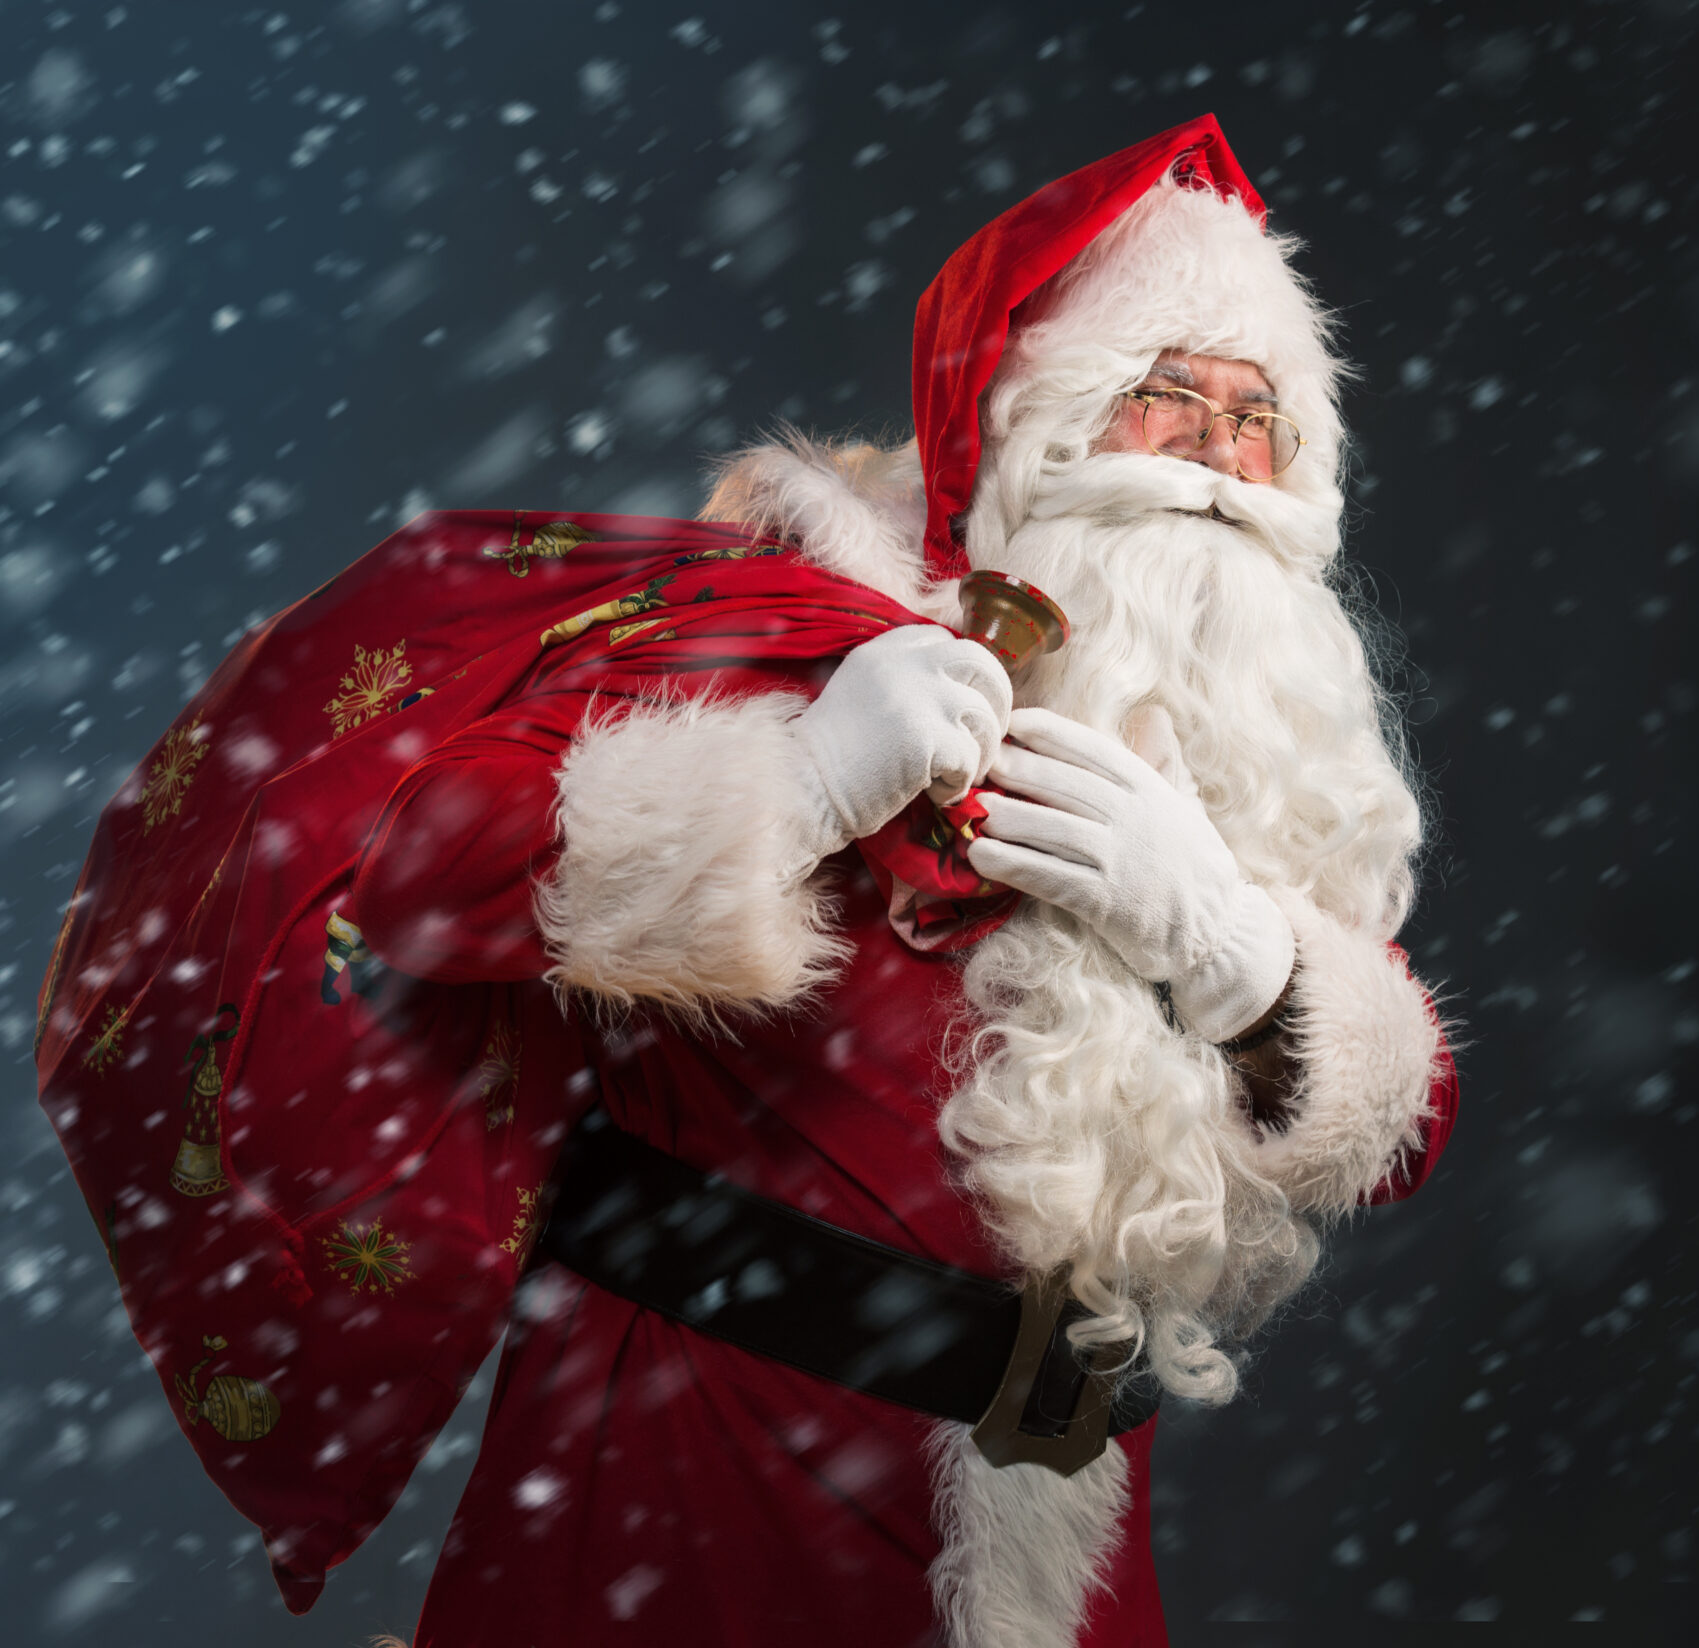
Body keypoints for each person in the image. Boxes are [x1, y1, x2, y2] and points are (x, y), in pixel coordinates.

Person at [325, 117, 1458, 1645]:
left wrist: (1236, 948)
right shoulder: (798, 631)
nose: (1215, 453)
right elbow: (420, 873)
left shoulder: (1245, 781)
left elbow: (1400, 1137)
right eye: (1162, 395)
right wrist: (794, 788)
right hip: (695, 1490)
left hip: (1059, 1556)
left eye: (1260, 418)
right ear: (1031, 435)